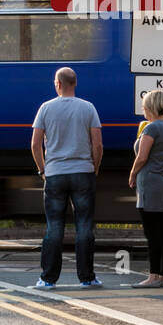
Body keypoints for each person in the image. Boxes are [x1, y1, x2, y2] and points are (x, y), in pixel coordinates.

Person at [30, 67, 103, 289]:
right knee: (84, 226)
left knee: (54, 227)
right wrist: (94, 168)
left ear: (58, 84)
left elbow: (35, 144)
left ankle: (48, 279)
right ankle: (87, 278)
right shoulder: (88, 108)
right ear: (75, 83)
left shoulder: (45, 108)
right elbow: (97, 144)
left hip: (55, 174)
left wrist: (43, 170)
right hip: (83, 172)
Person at [128, 89, 163, 288]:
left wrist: (132, 174)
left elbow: (142, 157)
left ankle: (153, 276)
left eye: (144, 106)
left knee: (152, 233)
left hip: (151, 184)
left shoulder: (152, 129)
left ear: (150, 107)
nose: (143, 109)